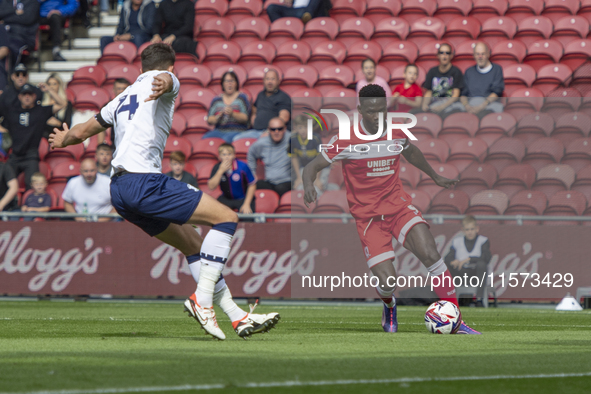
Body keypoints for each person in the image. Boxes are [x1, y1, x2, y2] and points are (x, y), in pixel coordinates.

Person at [49, 43, 279, 340]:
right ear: (169, 67)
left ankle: (237, 317)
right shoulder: (168, 81)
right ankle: (202, 299)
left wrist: (62, 138)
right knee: (226, 217)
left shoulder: (120, 98)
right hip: (144, 182)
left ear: (140, 69)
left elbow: (80, 133)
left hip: (118, 190)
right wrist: (167, 80)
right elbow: (169, 82)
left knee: (193, 244)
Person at [303, 84, 480, 334]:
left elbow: (411, 151)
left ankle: (456, 319)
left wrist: (435, 176)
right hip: (369, 219)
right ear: (360, 110)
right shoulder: (345, 139)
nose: (378, 116)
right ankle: (389, 304)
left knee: (431, 253)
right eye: (372, 111)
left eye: (382, 110)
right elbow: (311, 166)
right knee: (388, 282)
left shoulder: (396, 131)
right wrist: (308, 184)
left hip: (398, 208)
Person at [0, 83, 66, 189]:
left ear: (34, 96)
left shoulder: (40, 111)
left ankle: (29, 205)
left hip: (31, 156)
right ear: (19, 96)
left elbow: (62, 104)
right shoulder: (12, 111)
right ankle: (9, 206)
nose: (27, 96)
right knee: (3, 183)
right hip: (14, 155)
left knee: (32, 186)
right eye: (24, 94)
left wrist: (49, 89)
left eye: (29, 94)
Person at [445, 215, 491, 307]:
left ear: (477, 229)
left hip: (476, 275)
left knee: (481, 265)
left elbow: (487, 257)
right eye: (467, 229)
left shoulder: (483, 241)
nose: (470, 232)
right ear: (463, 230)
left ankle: (479, 299)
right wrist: (453, 261)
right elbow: (447, 257)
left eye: (472, 229)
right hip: (461, 275)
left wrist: (468, 260)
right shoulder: (457, 241)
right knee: (447, 265)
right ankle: (449, 299)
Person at [235, 69, 291, 140]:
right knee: (237, 139)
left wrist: (270, 131)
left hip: (273, 133)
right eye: (267, 79)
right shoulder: (260, 95)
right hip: (256, 131)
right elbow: (255, 110)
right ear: (264, 81)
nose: (270, 82)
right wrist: (254, 121)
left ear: (278, 81)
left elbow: (284, 117)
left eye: (272, 79)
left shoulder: (283, 97)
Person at [248, 117, 292, 198]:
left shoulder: (291, 139)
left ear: (285, 129)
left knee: (281, 188)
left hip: (287, 181)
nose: (276, 132)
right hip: (269, 182)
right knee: (252, 185)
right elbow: (251, 154)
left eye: (280, 129)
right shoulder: (262, 143)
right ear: (268, 130)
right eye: (273, 129)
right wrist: (252, 173)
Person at [0, 0, 39, 90]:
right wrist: (14, 12)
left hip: (22, 37)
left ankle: (9, 82)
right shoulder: (5, 2)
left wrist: (4, 18)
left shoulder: (32, 2)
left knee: (11, 49)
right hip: (5, 36)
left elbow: (27, 19)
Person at [460, 42, 505, 118]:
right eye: (477, 54)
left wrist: (482, 106)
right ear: (474, 56)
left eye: (483, 54)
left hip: (489, 107)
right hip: (471, 107)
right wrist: (466, 106)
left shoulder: (497, 69)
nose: (480, 57)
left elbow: (497, 92)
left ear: (488, 54)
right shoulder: (469, 71)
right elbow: (463, 94)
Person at [203, 71, 250, 143]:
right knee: (205, 139)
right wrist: (218, 117)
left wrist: (232, 114)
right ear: (222, 84)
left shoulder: (242, 98)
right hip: (219, 130)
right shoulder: (216, 100)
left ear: (236, 83)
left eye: (232, 81)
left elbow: (246, 118)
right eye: (227, 81)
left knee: (225, 141)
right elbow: (209, 120)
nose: (229, 84)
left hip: (238, 130)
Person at [208, 143, 256, 214]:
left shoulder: (242, 166)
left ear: (234, 155)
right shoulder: (217, 167)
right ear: (219, 156)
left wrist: (246, 204)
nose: (227, 157)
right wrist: (220, 171)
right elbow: (211, 187)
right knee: (215, 214)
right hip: (226, 198)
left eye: (229, 154)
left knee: (248, 216)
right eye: (224, 155)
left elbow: (252, 185)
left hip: (243, 198)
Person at [421, 43, 465, 117]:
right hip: (435, 104)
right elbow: (429, 91)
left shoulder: (456, 71)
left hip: (451, 105)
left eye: (447, 53)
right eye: (442, 53)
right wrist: (424, 105)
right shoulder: (432, 71)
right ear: (438, 55)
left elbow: (456, 94)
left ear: (451, 56)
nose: (444, 56)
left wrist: (442, 107)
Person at [288, 114, 324, 191]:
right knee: (299, 187)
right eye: (300, 128)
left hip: (319, 168)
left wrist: (317, 179)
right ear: (295, 128)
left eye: (306, 127)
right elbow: (294, 158)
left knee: (317, 188)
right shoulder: (293, 139)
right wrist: (298, 177)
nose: (303, 130)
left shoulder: (315, 138)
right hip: (304, 167)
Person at [266, 0, 331, 23]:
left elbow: (328, 5)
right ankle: (281, 27)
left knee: (306, 13)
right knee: (272, 8)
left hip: (312, 13)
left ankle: (306, 16)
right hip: (296, 12)